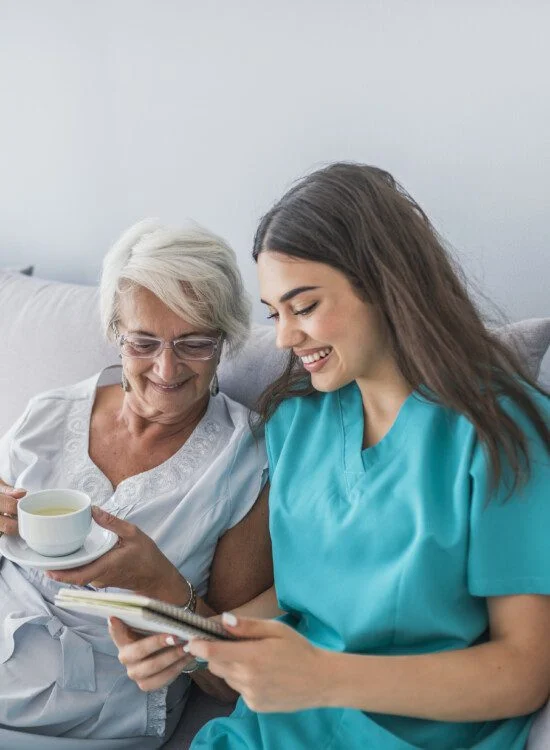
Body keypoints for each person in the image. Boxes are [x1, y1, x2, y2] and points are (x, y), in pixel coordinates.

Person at [112, 164, 550, 750]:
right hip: (274, 732)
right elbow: (298, 600)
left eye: (305, 306)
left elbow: (523, 671)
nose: (285, 338)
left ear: (385, 283)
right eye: (275, 313)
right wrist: (198, 641)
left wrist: (324, 677)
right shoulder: (297, 423)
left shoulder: (496, 431)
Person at [0, 219, 273, 749]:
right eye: (143, 342)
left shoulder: (245, 462)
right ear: (115, 333)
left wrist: (160, 586)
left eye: (194, 342)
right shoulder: (48, 415)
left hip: (88, 720)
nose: (166, 369)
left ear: (224, 342)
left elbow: (228, 682)